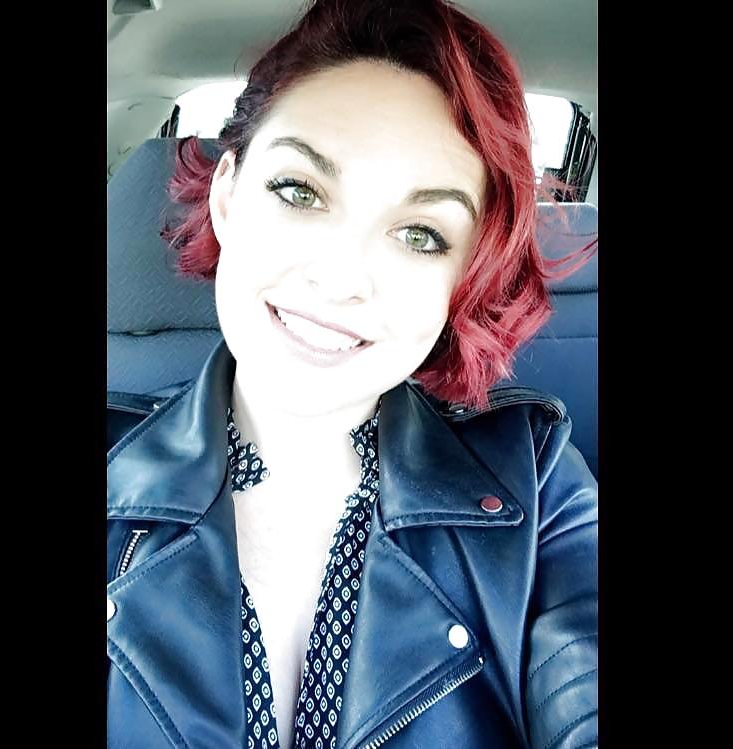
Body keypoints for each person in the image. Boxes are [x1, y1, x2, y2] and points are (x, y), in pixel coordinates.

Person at [107, 1, 598, 747]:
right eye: (300, 191)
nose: (341, 279)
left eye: (421, 235)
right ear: (227, 195)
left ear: (461, 278)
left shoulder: (538, 482)